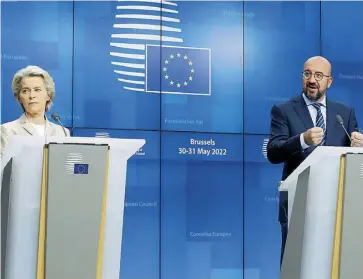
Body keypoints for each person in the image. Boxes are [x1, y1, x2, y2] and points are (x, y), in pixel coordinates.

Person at [266, 56, 363, 266]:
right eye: (307, 73)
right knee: (296, 265)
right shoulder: (283, 110)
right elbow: (273, 152)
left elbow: (352, 159)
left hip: (338, 203)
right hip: (298, 201)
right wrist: (303, 140)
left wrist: (359, 147)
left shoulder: (345, 113)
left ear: (329, 81)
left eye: (319, 75)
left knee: (335, 263)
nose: (312, 79)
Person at [0, 65, 70, 158]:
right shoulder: (7, 131)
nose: (32, 95)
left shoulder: (62, 132)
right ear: (19, 98)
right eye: (25, 91)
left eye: (37, 90)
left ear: (48, 95)